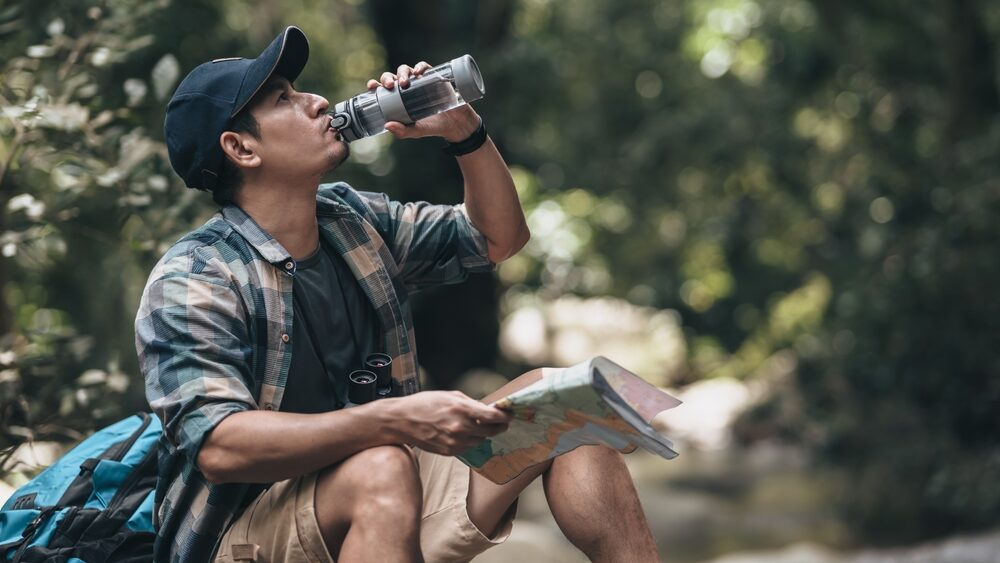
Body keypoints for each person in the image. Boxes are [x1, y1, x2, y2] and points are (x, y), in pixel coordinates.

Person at [136, 26, 660, 563]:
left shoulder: (350, 220)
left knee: (562, 401)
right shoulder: (194, 278)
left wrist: (464, 132)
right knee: (381, 463)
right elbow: (219, 446)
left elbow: (499, 238)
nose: (316, 101)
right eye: (283, 100)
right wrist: (395, 420)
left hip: (387, 484)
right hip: (244, 535)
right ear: (241, 147)